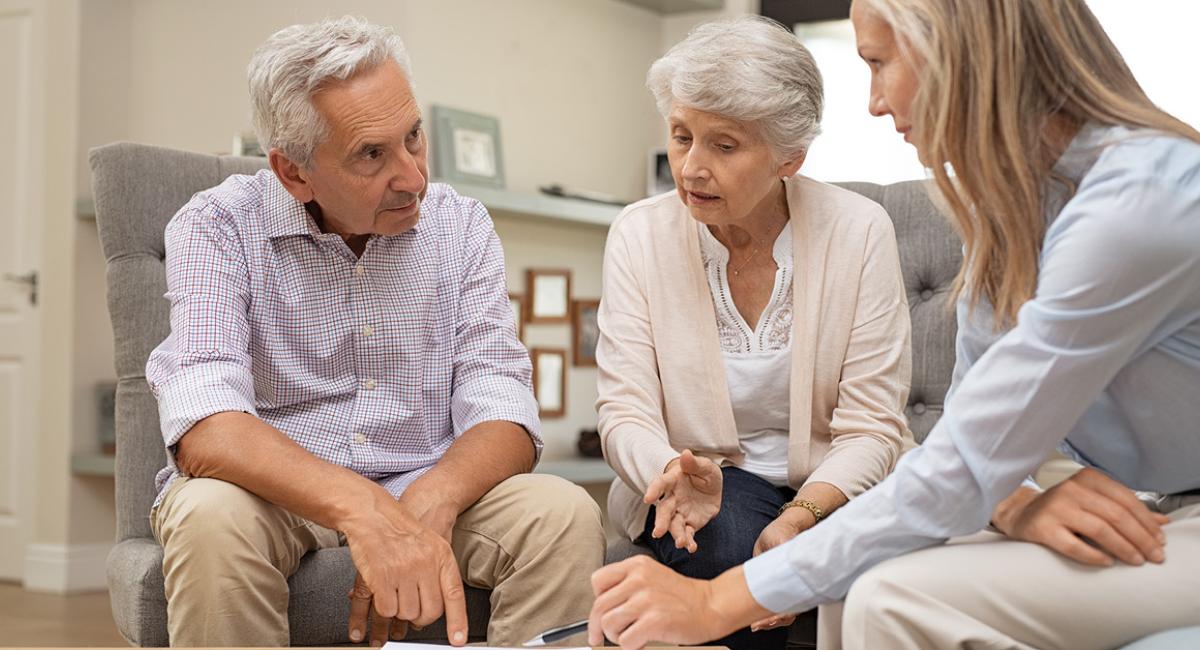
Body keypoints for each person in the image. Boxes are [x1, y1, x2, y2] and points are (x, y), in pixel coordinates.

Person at [587, 1, 1200, 649]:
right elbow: (975, 420)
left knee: (885, 598)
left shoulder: (1138, 203)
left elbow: (958, 461)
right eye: (682, 136)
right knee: (861, 585)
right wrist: (1017, 500)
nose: (874, 103)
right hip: (1152, 504)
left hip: (1174, 509)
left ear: (959, 56)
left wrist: (717, 602)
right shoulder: (1015, 211)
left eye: (878, 63)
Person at [146, 16, 604, 647]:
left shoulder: (461, 226)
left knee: (562, 514)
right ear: (293, 172)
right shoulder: (216, 226)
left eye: (413, 137)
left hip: (425, 479)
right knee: (208, 516)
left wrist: (429, 503)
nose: (414, 176)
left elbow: (505, 409)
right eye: (371, 154)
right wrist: (364, 513)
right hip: (270, 498)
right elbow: (206, 424)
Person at [595, 16, 913, 650]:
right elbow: (624, 410)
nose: (691, 167)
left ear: (789, 156)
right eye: (682, 136)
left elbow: (873, 426)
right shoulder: (640, 232)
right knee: (727, 536)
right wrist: (671, 473)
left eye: (725, 145)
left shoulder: (860, 231)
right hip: (702, 487)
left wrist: (803, 514)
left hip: (834, 485)